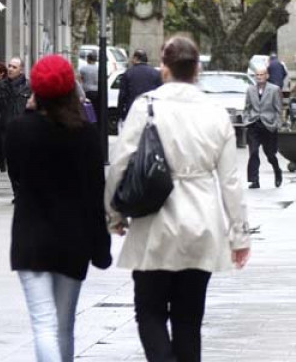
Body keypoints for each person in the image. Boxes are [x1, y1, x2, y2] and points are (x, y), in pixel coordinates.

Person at [105, 36, 251, 362]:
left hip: (153, 221)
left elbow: (120, 165)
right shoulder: (215, 112)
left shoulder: (146, 107)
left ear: (164, 68)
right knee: (189, 320)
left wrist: (114, 214)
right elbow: (230, 181)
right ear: (197, 69)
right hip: (201, 222)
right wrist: (239, 235)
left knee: (149, 311)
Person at [5, 55, 112, 362]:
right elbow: (96, 194)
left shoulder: (18, 130)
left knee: (43, 325)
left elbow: (17, 175)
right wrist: (101, 248)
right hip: (72, 241)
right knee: (65, 325)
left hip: (31, 237)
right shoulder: (86, 136)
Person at [0, 57, 32, 195]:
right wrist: (0, 120)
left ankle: (24, 191)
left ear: (21, 70)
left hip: (25, 130)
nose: (10, 69)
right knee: (11, 163)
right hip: (7, 129)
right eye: (9, 66)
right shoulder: (1, 86)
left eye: (14, 67)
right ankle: (17, 192)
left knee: (25, 161)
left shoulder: (29, 86)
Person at [244, 66, 283, 189]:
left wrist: (276, 124)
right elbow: (247, 107)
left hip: (269, 126)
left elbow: (278, 110)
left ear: (267, 76)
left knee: (270, 154)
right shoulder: (250, 89)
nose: (259, 77)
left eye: (262, 75)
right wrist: (247, 120)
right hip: (254, 124)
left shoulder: (274, 89)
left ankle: (277, 171)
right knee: (253, 152)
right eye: (257, 75)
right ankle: (254, 180)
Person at [117, 49, 162, 120]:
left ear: (136, 58)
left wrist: (120, 113)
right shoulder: (156, 73)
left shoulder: (128, 73)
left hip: (132, 110)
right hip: (150, 111)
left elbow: (122, 95)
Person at [80, 51, 99, 115]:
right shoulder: (98, 69)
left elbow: (81, 80)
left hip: (86, 91)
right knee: (96, 110)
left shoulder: (83, 69)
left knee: (87, 111)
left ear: (88, 59)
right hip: (96, 92)